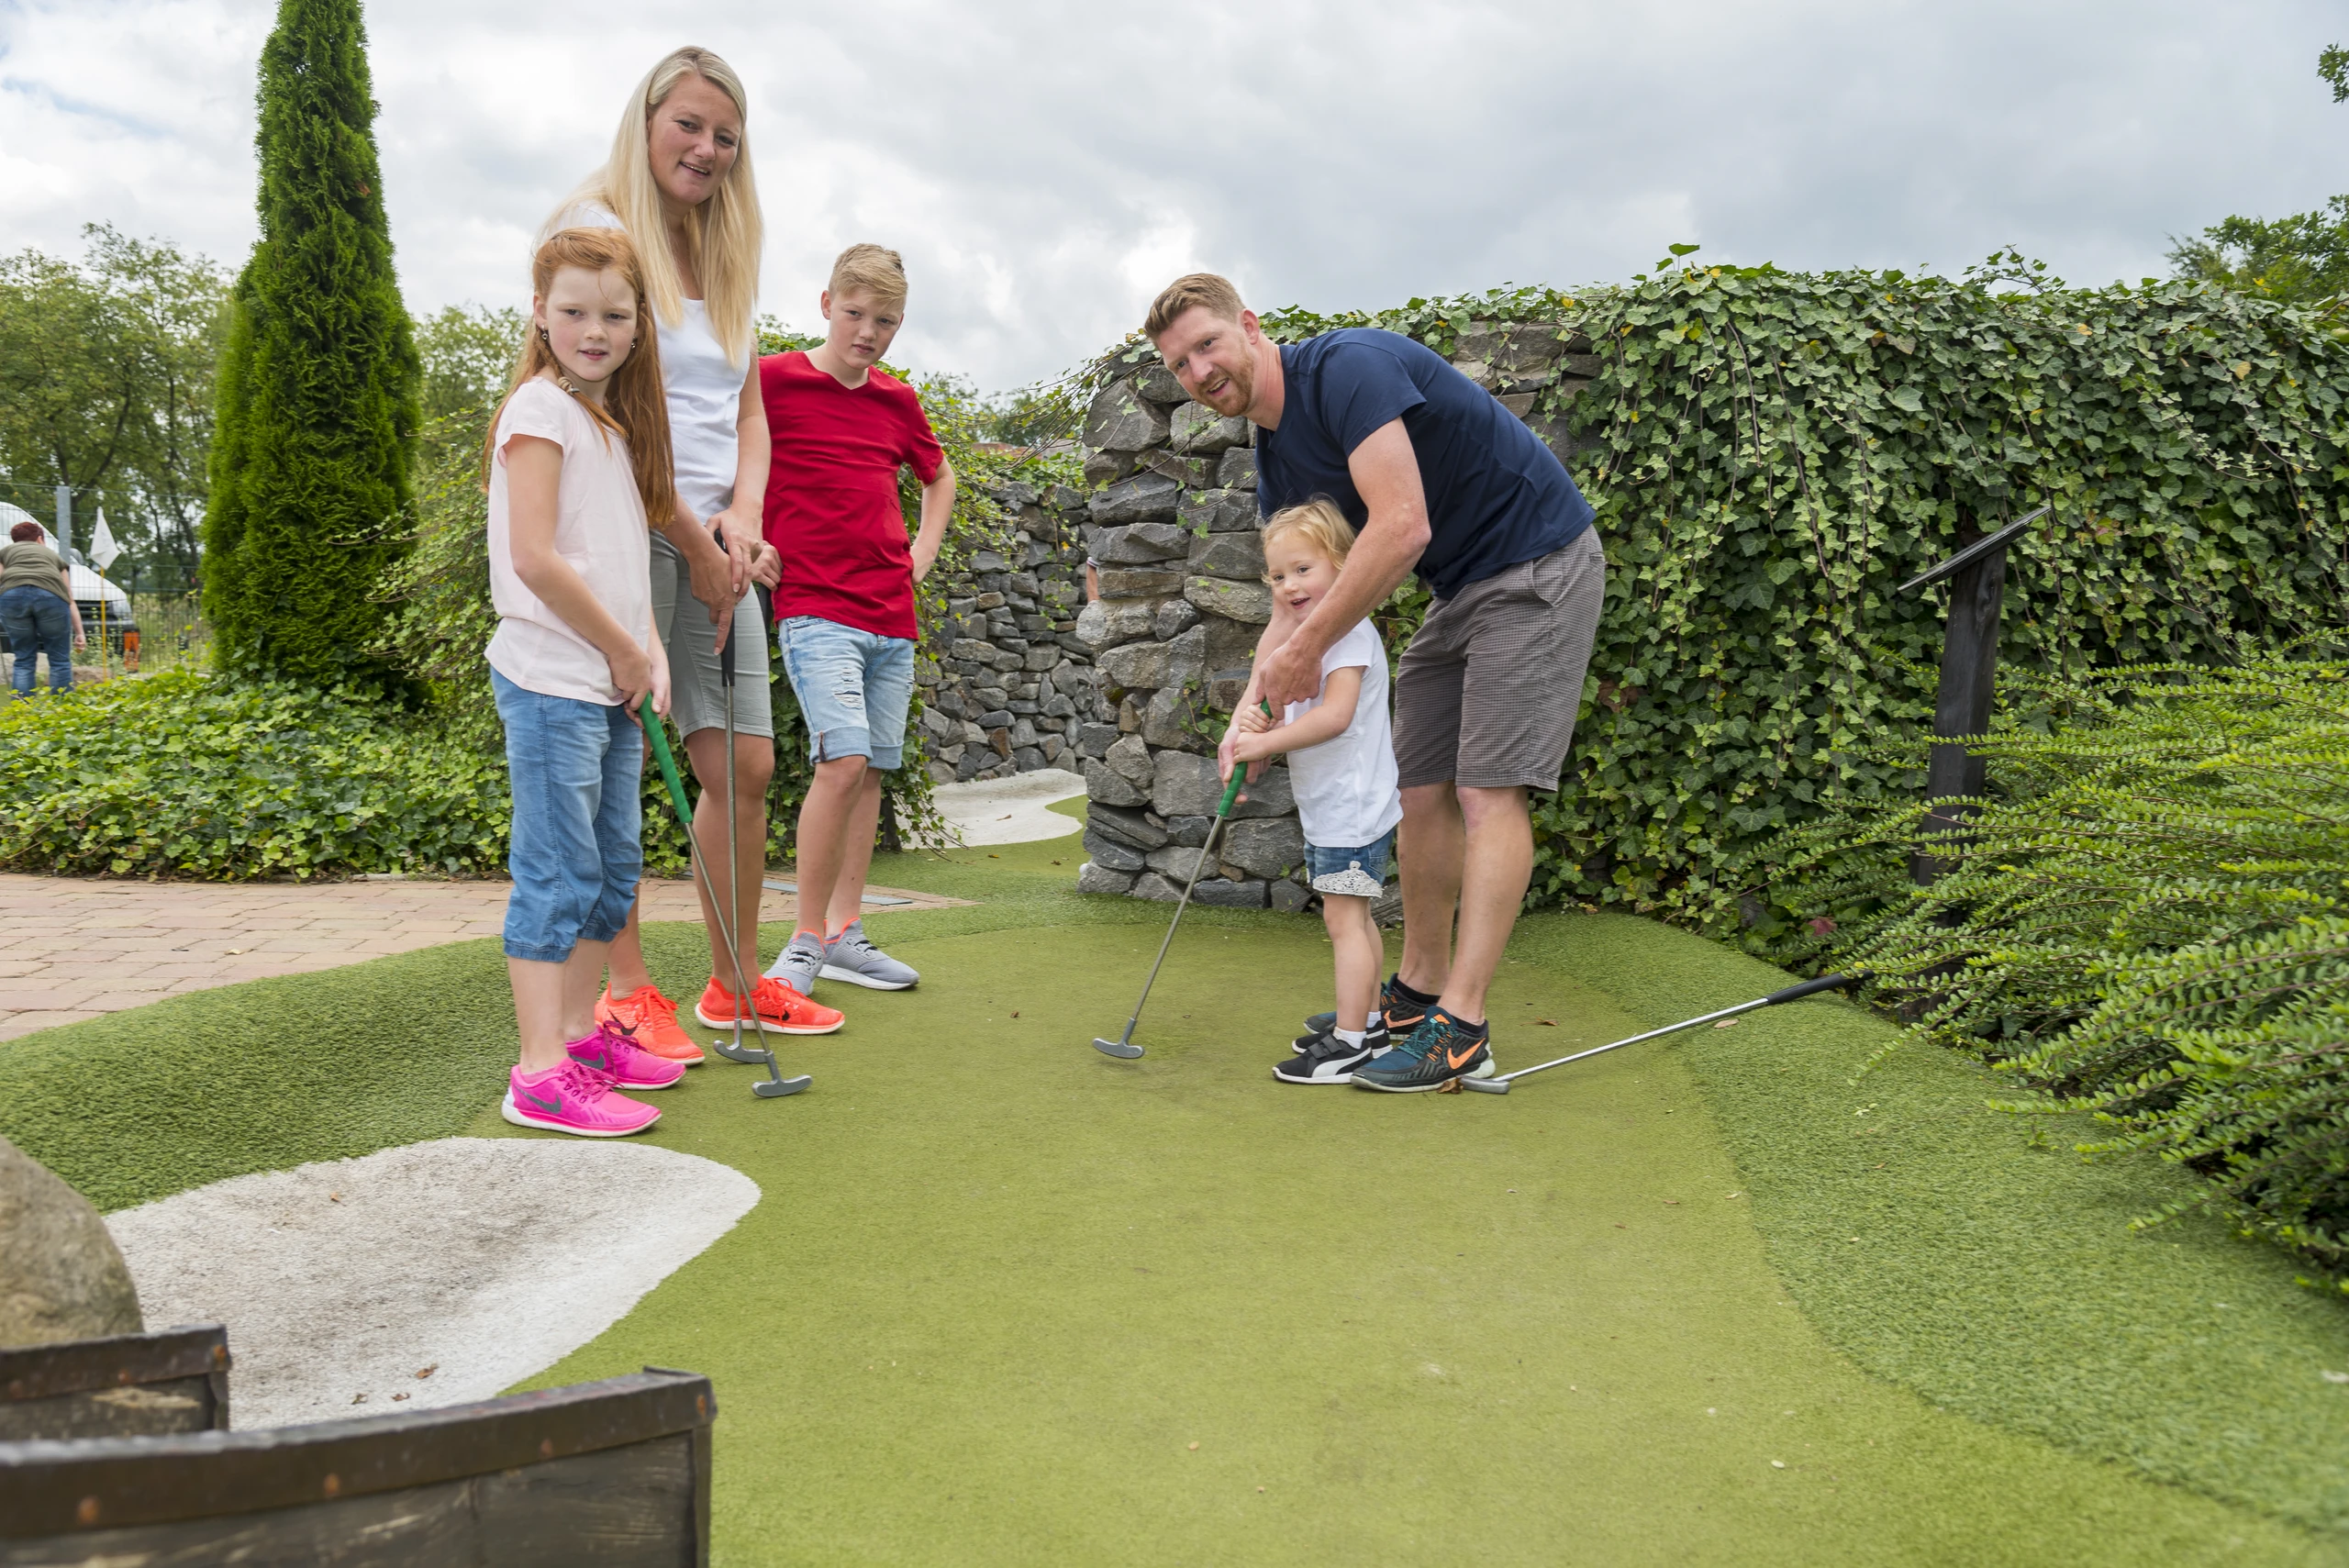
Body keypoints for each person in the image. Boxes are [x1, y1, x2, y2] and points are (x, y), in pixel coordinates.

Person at [1152, 272, 1606, 1094]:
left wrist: (1301, 658)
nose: (1199, 371)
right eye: (1180, 364)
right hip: (1459, 586)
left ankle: (1462, 1029)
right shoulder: (1276, 456)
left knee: (1486, 791)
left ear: (1250, 327)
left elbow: (1402, 526)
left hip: (1538, 559)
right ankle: (1418, 994)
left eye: (1207, 344)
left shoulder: (1347, 369)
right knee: (1419, 789)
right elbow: (1296, 605)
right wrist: (1247, 715)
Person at [549, 46, 843, 1051]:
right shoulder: (595, 231)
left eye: (726, 135)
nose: (708, 148)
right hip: (629, 535)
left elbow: (743, 403)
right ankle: (624, 988)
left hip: (719, 541)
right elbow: (606, 409)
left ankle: (733, 982)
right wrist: (693, 534)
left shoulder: (721, 247)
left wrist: (745, 517)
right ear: (646, 122)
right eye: (690, 125)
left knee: (746, 765)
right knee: (618, 757)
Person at [486, 227, 690, 1137]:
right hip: (550, 680)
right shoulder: (537, 410)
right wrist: (622, 647)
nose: (594, 329)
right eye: (573, 310)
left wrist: (650, 648)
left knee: (609, 871)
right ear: (540, 312)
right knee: (556, 871)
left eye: (614, 313)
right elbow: (535, 558)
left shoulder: (607, 425)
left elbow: (617, 561)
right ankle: (537, 1074)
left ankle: (575, 1039)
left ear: (640, 322)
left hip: (607, 681)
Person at [757, 244, 954, 997]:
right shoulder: (772, 379)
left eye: (886, 322)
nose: (867, 332)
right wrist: (746, 533)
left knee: (869, 771)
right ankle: (804, 940)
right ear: (824, 304)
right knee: (840, 762)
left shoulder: (897, 401)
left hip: (890, 612)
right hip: (814, 606)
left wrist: (923, 548)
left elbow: (940, 477)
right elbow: (724, 458)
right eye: (855, 314)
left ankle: (846, 932)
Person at [1222, 500, 1408, 1086]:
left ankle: (1350, 1044)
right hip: (1338, 806)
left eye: (1304, 569)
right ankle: (1372, 1022)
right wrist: (1259, 728)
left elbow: (1335, 717)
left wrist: (1263, 745)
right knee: (1357, 918)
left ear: (1344, 565)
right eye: (1278, 576)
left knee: (1343, 922)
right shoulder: (1310, 635)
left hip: (1352, 809)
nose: (1289, 585)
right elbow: (1289, 700)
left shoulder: (1347, 633)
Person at [0, 522, 84, 697]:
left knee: (23, 658)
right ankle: (62, 709)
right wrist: (80, 633)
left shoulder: (6, 552)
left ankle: (23, 711)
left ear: (15, 541)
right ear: (40, 539)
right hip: (51, 597)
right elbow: (69, 597)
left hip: (12, 597)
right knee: (60, 658)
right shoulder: (53, 556)